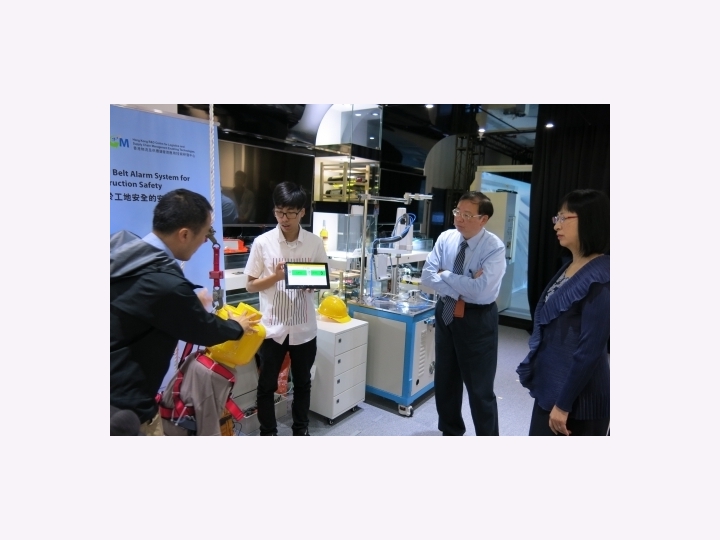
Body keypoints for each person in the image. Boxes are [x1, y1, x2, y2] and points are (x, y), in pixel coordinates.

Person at [111, 188, 260, 435]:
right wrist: (238, 327)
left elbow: (145, 304)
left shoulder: (123, 250)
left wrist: (185, 302)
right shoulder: (165, 282)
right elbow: (203, 329)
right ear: (184, 234)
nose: (205, 241)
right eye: (205, 234)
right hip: (127, 406)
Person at [516, 189, 610, 436]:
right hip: (553, 387)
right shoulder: (570, 265)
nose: (556, 225)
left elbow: (589, 350)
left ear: (589, 220)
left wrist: (564, 404)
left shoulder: (601, 277)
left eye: (563, 218)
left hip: (578, 401)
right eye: (556, 218)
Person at [244, 181, 328, 435]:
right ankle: (268, 433)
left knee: (302, 383)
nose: (284, 218)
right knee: (266, 386)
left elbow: (321, 278)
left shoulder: (314, 242)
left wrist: (312, 285)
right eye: (279, 212)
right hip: (273, 328)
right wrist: (276, 277)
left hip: (304, 327)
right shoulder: (263, 242)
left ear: (302, 212)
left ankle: (301, 431)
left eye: (290, 213)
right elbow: (250, 285)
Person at [420, 191, 507, 436]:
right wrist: (464, 285)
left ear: (483, 219)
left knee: (480, 388)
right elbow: (427, 277)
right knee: (445, 380)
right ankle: (450, 432)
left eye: (467, 215)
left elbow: (481, 291)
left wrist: (446, 274)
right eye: (458, 211)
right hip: (446, 312)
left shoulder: (493, 248)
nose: (459, 218)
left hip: (477, 319)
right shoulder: (446, 238)